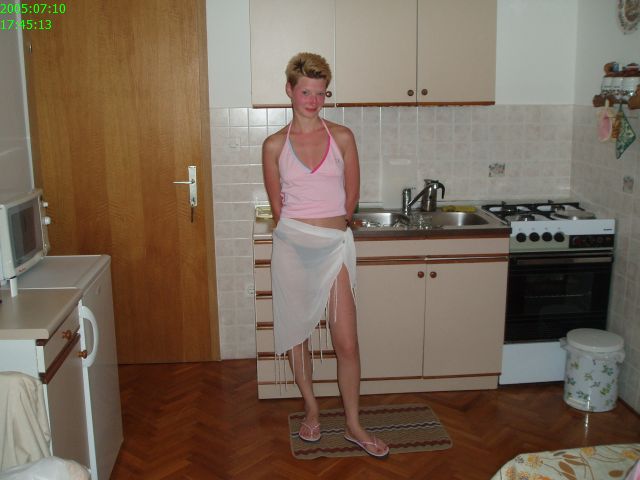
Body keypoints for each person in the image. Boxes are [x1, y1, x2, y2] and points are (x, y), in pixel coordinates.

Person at [262, 52, 389, 458]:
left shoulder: (343, 137)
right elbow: (278, 208)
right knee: (297, 334)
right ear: (289, 91)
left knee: (346, 343)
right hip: (292, 248)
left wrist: (334, 228)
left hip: (334, 247)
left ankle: (353, 424)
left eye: (320, 93)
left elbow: (351, 198)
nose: (313, 101)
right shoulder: (274, 145)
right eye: (306, 92)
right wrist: (301, 235)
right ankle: (312, 410)